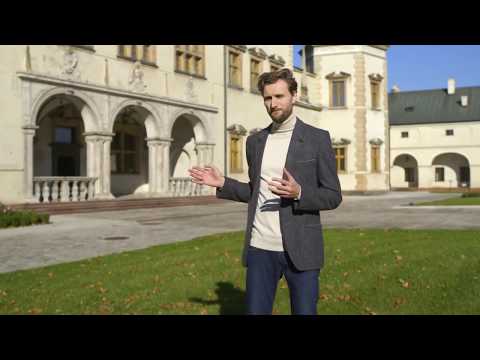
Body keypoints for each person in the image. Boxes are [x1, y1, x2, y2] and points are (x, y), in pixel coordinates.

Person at [188, 68, 342, 315]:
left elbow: (333, 195)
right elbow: (255, 191)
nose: (273, 103)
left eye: (279, 96)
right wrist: (222, 183)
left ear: (294, 96)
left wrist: (300, 192)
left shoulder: (317, 139)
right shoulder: (255, 142)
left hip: (302, 249)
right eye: (268, 98)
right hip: (260, 248)